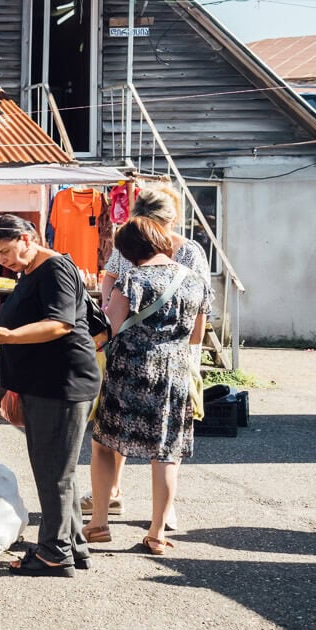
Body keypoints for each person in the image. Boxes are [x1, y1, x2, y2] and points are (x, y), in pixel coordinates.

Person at [0, 214, 100, 577]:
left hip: (61, 383)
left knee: (54, 472)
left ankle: (53, 554)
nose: (4, 261)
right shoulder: (32, 272)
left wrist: (6, 337)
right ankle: (72, 545)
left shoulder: (55, 268)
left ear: (28, 238)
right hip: (43, 383)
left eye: (7, 251)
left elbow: (60, 324)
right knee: (58, 470)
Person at [83, 182, 212, 524]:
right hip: (175, 365)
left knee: (108, 440)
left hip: (128, 366)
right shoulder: (193, 279)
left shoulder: (133, 279)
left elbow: (109, 328)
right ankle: (158, 528)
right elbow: (197, 334)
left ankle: (98, 523)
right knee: (166, 451)